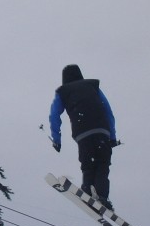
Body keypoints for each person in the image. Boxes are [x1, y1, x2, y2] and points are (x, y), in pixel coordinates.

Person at [49, 64, 117, 210]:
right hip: (101, 130)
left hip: (83, 133)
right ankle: (101, 197)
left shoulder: (63, 92)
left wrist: (56, 140)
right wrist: (112, 136)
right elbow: (108, 110)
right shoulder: (93, 86)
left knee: (88, 165)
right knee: (102, 165)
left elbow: (54, 115)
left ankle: (87, 192)